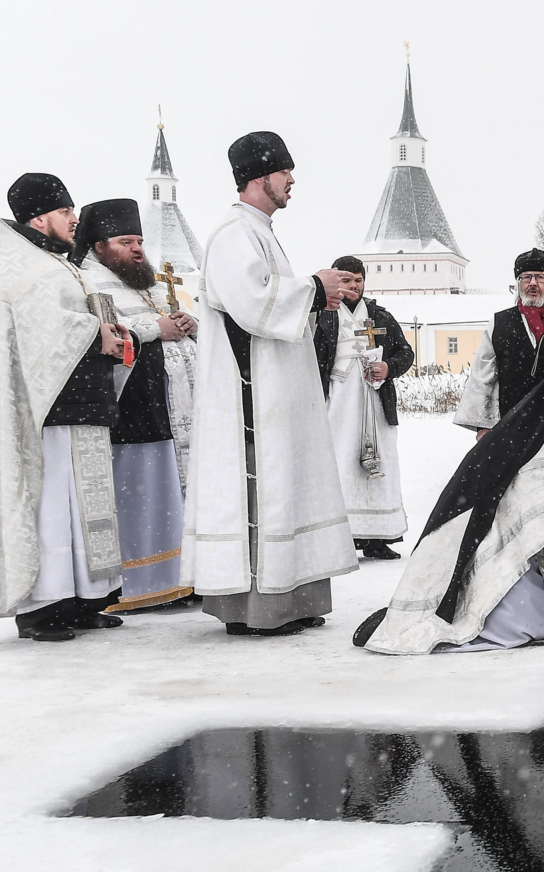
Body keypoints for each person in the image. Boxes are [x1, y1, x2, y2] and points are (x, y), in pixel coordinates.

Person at [357, 351, 544, 654]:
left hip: (543, 546)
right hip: (494, 542)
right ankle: (411, 616)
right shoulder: (534, 439)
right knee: (516, 623)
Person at [183, 131, 360, 637]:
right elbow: (253, 303)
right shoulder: (233, 234)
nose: (292, 181)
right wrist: (312, 288)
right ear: (260, 177)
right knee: (266, 494)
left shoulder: (259, 231)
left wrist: (309, 294)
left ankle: (295, 596)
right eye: (285, 172)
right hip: (252, 398)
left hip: (278, 395)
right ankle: (259, 607)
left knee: (288, 490)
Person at [0, 173, 133, 640]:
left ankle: (81, 599)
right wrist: (93, 332)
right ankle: (42, 609)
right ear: (38, 216)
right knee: (55, 509)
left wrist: (112, 332)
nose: (75, 219)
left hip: (82, 402)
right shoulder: (22, 265)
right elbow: (39, 329)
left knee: (86, 508)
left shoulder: (55, 261)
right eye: (65, 212)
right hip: (50, 409)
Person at [72, 198, 195, 612]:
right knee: (143, 491)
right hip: (132, 409)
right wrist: (152, 329)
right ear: (100, 246)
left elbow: (176, 327)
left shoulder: (154, 284)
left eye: (140, 240)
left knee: (178, 490)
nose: (137, 249)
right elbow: (99, 335)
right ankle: (142, 582)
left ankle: (183, 577)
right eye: (126, 241)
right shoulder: (87, 282)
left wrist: (188, 325)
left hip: (175, 408)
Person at [314, 256, 415, 559]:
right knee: (342, 465)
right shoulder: (323, 316)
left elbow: (405, 353)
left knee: (379, 468)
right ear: (336, 281)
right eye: (346, 280)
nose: (354, 286)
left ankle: (376, 537)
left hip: (377, 402)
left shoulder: (380, 316)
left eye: (358, 280)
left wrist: (388, 367)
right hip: (339, 406)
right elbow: (314, 362)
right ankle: (342, 537)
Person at [455, 250, 544, 432]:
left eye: (540, 277)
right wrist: (482, 427)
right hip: (513, 428)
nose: (532, 283)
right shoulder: (499, 323)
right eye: (526, 277)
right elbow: (481, 377)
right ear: (518, 284)